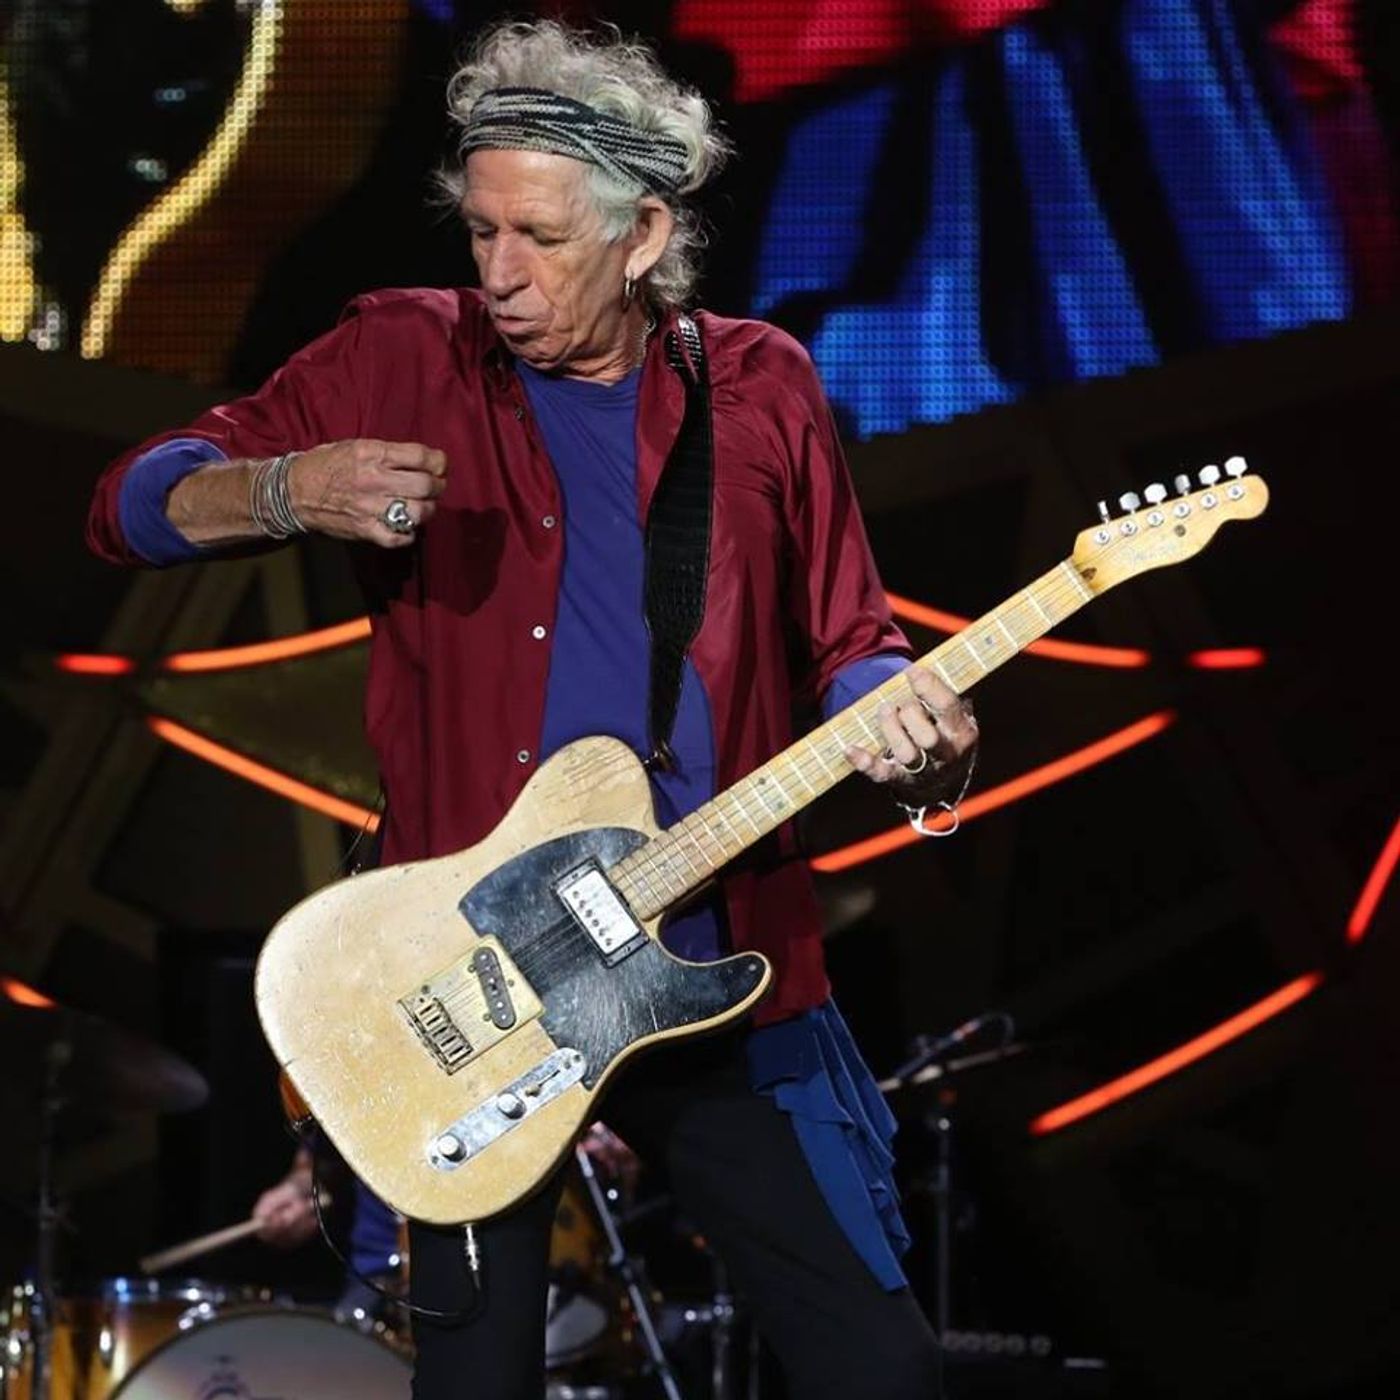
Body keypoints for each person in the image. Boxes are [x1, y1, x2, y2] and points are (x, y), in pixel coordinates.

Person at [87, 20, 977, 1397]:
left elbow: (851, 641)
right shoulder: (402, 349)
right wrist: (282, 489)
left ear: (642, 235)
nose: (498, 272)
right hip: (470, 977)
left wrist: (913, 726)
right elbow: (129, 507)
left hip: (715, 954)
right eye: (482, 230)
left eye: (541, 238)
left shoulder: (761, 383)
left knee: (886, 1371)